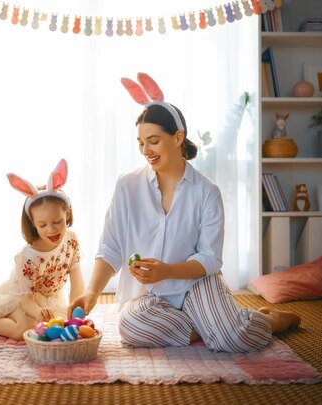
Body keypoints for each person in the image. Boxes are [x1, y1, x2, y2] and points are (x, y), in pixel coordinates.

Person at [68, 73, 300, 353]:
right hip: (149, 297)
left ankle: (268, 320)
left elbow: (210, 259)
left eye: (153, 141)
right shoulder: (127, 186)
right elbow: (111, 246)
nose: (146, 150)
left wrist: (166, 271)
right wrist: (92, 292)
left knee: (236, 341)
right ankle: (213, 325)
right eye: (141, 142)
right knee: (130, 327)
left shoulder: (207, 192)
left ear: (178, 137)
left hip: (196, 284)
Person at [0, 159, 85, 340]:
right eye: (42, 225)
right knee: (24, 332)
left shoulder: (71, 240)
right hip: (24, 298)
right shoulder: (27, 257)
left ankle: (24, 319)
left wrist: (74, 309)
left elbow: (77, 280)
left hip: (52, 298)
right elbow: (26, 300)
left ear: (67, 214)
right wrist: (37, 312)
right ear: (33, 223)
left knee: (54, 329)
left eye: (57, 222)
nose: (51, 230)